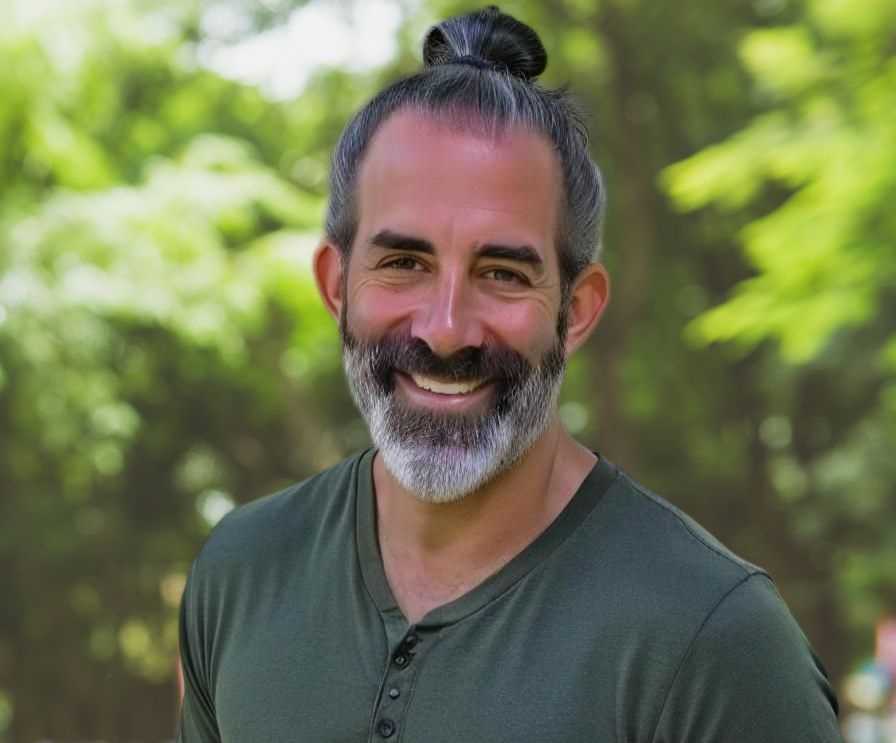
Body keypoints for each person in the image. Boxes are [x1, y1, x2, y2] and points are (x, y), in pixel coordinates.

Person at [177, 6, 842, 741]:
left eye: (502, 273)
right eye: (404, 262)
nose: (445, 329)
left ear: (576, 311)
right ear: (337, 285)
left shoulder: (714, 640)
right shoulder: (239, 573)